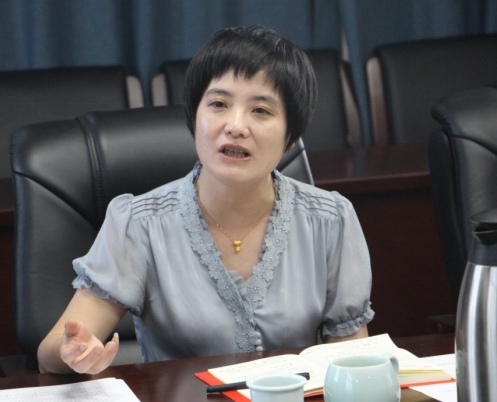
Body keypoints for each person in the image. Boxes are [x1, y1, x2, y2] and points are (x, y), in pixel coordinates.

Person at [37, 25, 374, 375]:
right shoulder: (138, 224)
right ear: (194, 117)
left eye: (261, 110)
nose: (235, 126)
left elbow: (352, 362)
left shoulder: (330, 219)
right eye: (218, 104)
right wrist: (73, 352)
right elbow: (51, 351)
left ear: (292, 135)